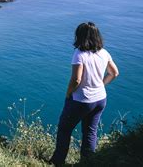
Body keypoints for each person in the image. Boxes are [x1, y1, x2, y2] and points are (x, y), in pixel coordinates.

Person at [49, 22, 119, 165]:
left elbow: (76, 79)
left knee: (64, 130)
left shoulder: (79, 54)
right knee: (90, 133)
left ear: (79, 36)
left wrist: (68, 94)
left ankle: (57, 162)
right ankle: (87, 163)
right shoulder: (104, 53)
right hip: (100, 99)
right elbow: (114, 73)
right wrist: (100, 85)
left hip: (81, 100)